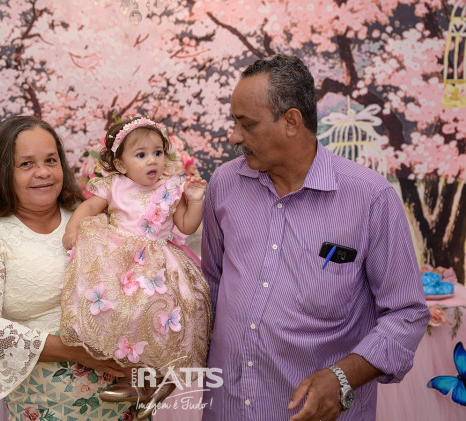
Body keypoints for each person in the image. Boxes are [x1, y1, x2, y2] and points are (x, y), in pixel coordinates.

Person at [201, 55, 430, 421]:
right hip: (226, 409)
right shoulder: (224, 184)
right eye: (234, 122)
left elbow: (406, 313)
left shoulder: (370, 198)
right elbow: (211, 286)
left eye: (248, 124)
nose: (235, 137)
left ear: (291, 121)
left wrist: (342, 377)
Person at [0, 115, 139, 420]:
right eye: (26, 164)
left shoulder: (89, 219)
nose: (43, 172)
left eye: (50, 160)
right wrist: (75, 351)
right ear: (2, 172)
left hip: (124, 400)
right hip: (48, 405)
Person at [60, 117, 212, 419]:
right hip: (121, 263)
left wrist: (195, 201)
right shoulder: (114, 186)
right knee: (123, 315)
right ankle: (133, 380)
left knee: (160, 315)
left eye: (158, 152)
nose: (152, 160)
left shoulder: (171, 188)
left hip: (159, 265)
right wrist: (72, 229)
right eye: (141, 155)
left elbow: (186, 225)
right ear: (120, 163)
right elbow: (89, 207)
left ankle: (157, 379)